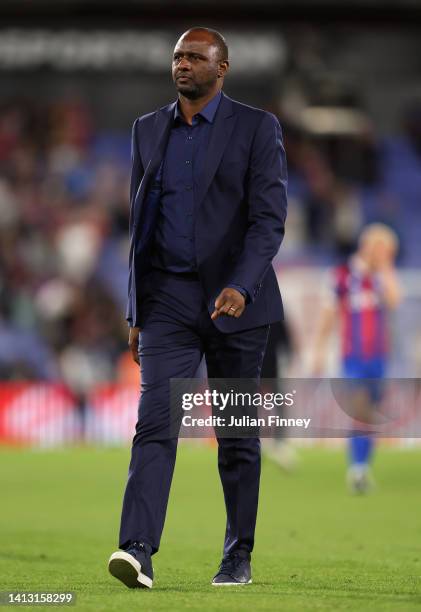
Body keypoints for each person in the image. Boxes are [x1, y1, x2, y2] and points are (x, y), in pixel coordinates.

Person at [107, 27, 288, 588]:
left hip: (236, 302)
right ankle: (137, 549)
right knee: (154, 425)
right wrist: (137, 310)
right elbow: (141, 230)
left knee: (236, 434)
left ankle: (238, 553)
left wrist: (243, 284)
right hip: (167, 302)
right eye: (177, 56)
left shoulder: (257, 128)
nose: (182, 64)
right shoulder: (147, 130)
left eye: (195, 56)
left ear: (222, 67)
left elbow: (268, 218)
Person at [313, 224, 401, 493]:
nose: (385, 255)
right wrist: (319, 348)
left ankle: (362, 466)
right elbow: (328, 314)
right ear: (368, 246)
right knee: (360, 410)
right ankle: (358, 469)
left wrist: (385, 268)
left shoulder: (381, 278)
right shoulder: (342, 275)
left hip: (379, 357)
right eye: (382, 250)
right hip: (353, 357)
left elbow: (394, 300)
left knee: (370, 412)